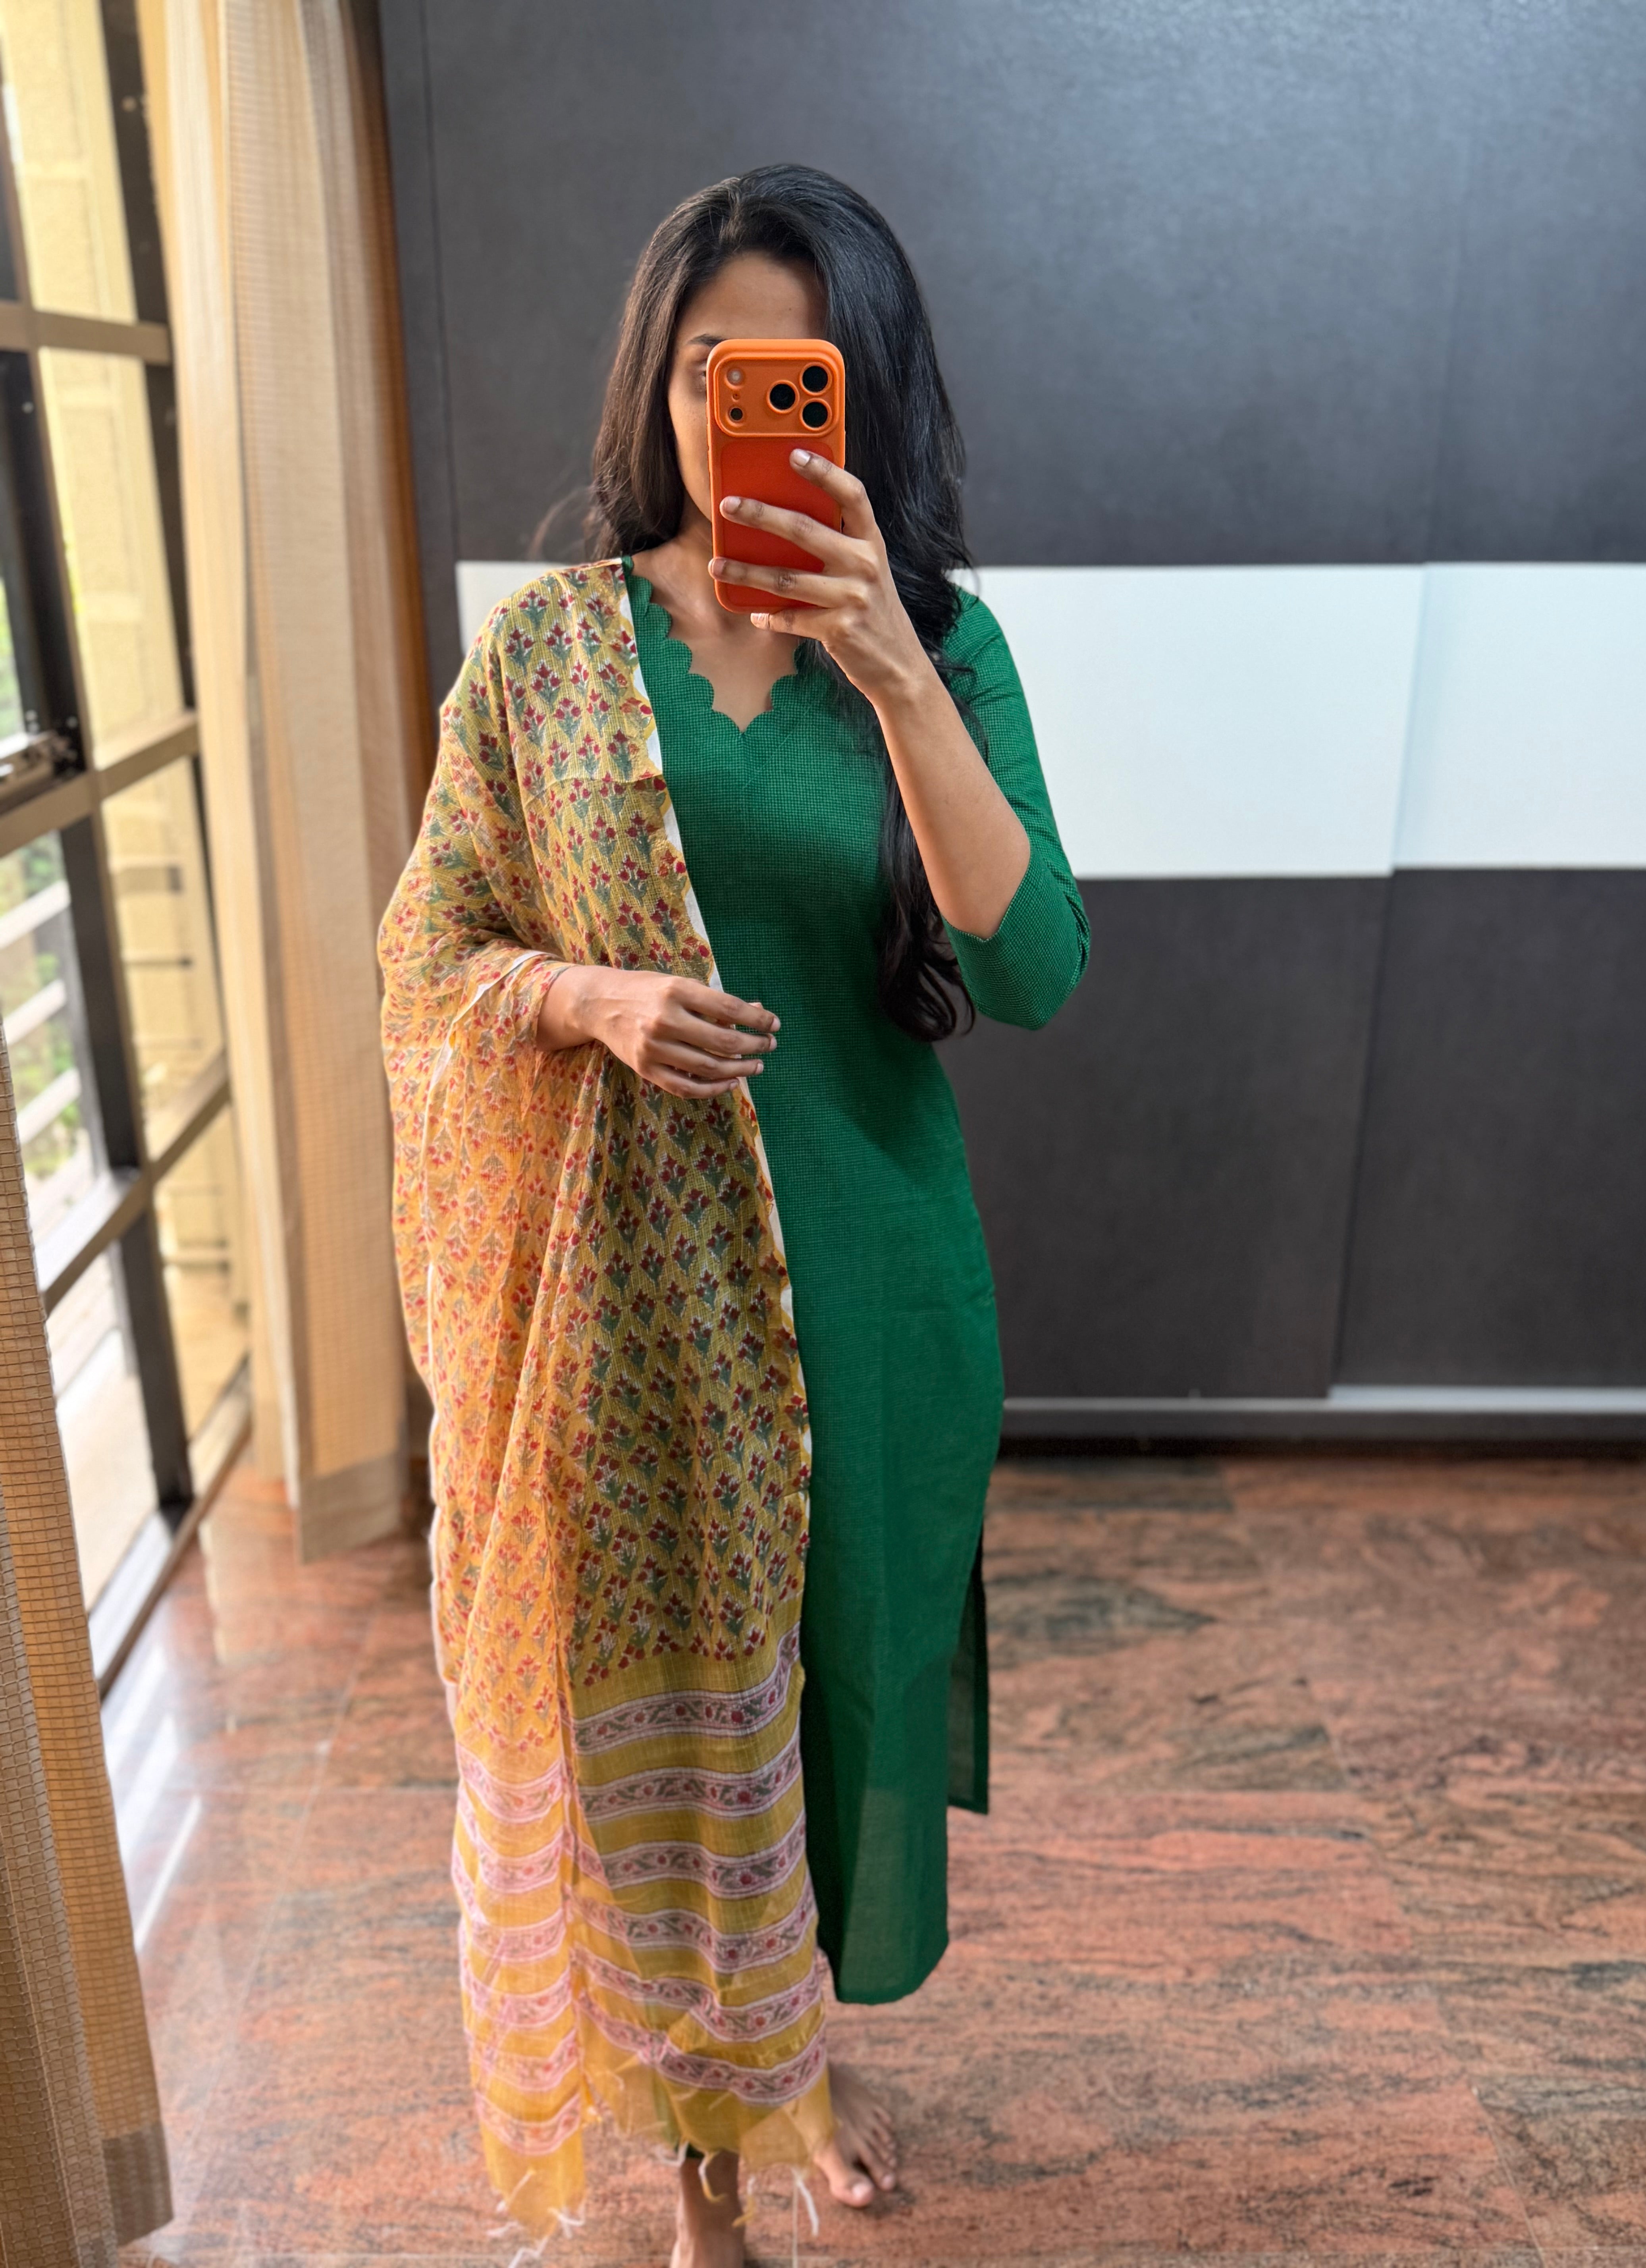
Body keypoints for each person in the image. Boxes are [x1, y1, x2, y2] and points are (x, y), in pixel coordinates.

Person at [378, 163, 1088, 2268]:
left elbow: (1034, 965)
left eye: (792, 376)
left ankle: (794, 2055)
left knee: (830, 1705)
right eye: (708, 373)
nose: (737, 417)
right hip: (628, 1316)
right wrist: (583, 998)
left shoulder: (941, 647)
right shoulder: (552, 654)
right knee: (675, 1748)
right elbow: (429, 953)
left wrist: (894, 675)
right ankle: (700, 2175)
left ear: (862, 396)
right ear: (658, 384)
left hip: (874, 1292)